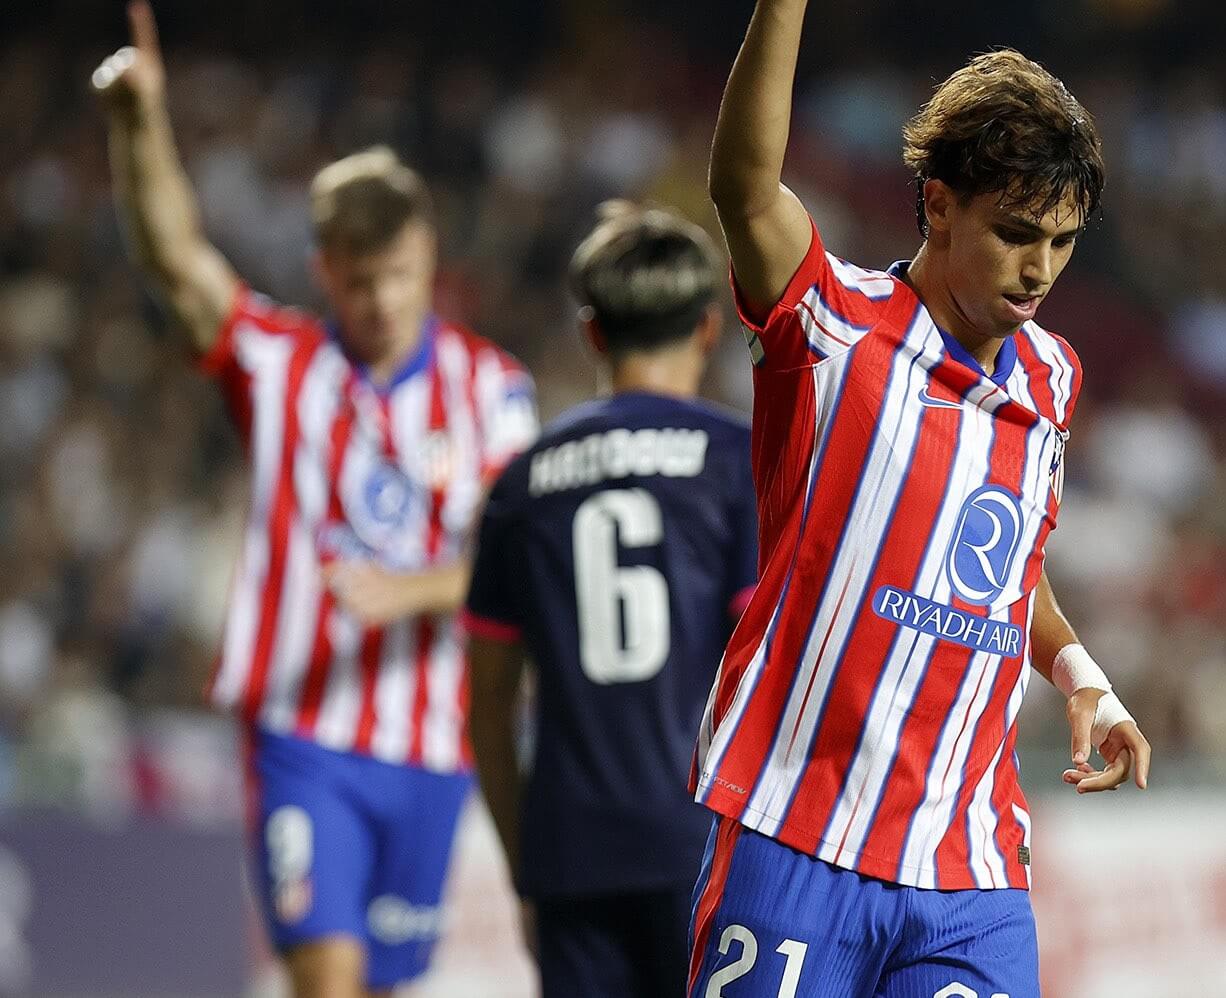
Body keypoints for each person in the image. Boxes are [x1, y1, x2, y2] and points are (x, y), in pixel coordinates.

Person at [686, 3, 1154, 997]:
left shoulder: (1052, 379)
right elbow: (740, 187)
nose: (1038, 270)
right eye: (1015, 233)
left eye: (1062, 241)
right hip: (796, 833)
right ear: (937, 205)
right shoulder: (831, 328)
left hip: (966, 864)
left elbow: (1006, 566)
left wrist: (1078, 674)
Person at [91, 5, 537, 996]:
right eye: (362, 279)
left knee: (377, 984)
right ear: (325, 270)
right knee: (324, 977)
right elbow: (176, 259)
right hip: (303, 736)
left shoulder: (492, 392)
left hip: (429, 746)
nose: (381, 301)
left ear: (430, 265)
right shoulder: (280, 365)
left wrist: (412, 589)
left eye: (401, 277)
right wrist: (137, 121)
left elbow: (521, 558)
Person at [463, 201, 758, 998]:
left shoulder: (522, 483)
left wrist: (528, 866)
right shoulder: (735, 464)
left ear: (592, 332)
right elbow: (769, 668)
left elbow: (487, 705)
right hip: (705, 846)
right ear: (706, 327)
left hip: (571, 851)